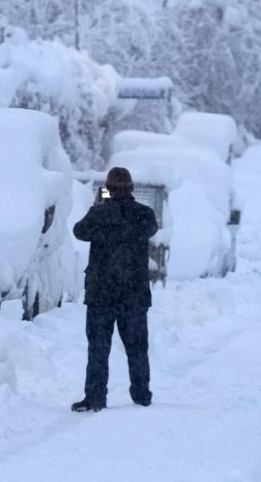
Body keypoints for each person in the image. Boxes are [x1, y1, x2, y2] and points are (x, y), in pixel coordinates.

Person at [71, 167, 158, 412]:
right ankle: (141, 394)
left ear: (107, 188)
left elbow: (80, 231)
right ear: (132, 188)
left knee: (98, 348)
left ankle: (95, 397)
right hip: (134, 294)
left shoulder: (100, 214)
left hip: (102, 294)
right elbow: (151, 229)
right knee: (138, 347)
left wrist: (99, 205)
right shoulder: (144, 214)